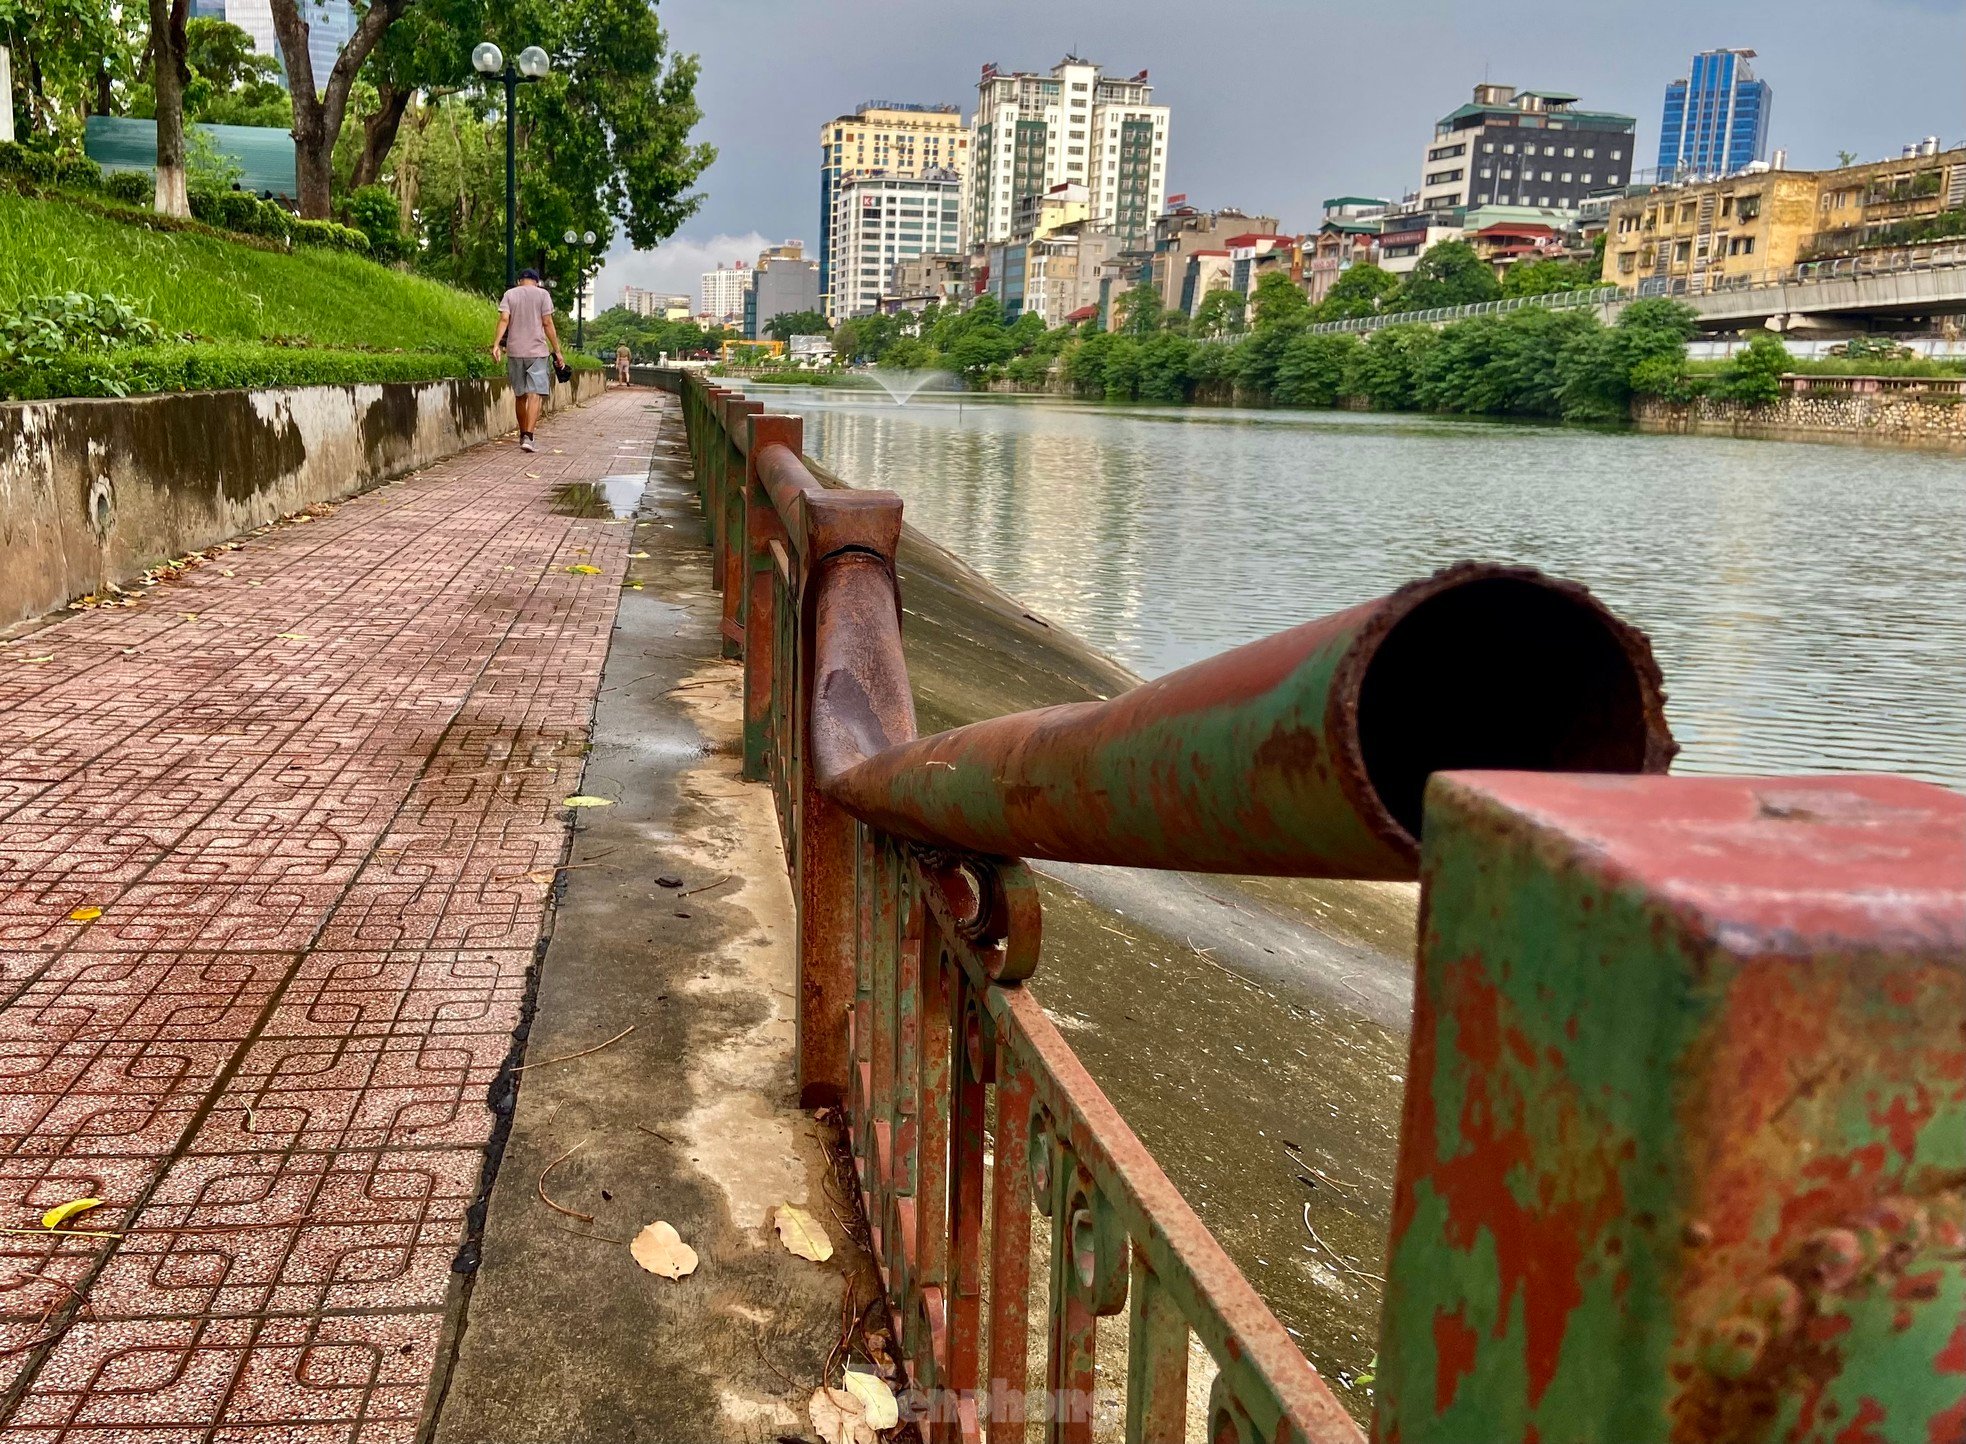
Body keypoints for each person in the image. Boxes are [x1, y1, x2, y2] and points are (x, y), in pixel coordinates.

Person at [491, 269, 565, 453]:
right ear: (537, 281)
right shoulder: (543, 295)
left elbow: (504, 319)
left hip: (515, 351)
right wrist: (557, 351)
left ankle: (522, 432)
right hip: (537, 352)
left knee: (520, 395)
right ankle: (529, 437)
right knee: (535, 394)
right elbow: (547, 323)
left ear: (519, 281)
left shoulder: (510, 294)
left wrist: (496, 345)